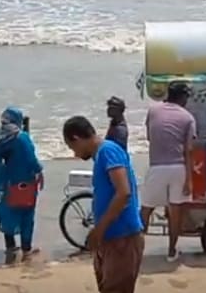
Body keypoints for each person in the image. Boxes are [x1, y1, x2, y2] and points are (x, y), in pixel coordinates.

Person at [62, 116, 143, 293]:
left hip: (123, 237)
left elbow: (124, 193)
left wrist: (99, 230)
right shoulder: (101, 156)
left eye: (72, 147)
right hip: (110, 238)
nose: (75, 154)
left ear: (77, 138)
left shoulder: (108, 151)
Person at [141, 81, 196, 262]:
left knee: (146, 209)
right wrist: (189, 179)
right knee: (175, 211)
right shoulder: (188, 117)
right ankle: (172, 251)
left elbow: (150, 137)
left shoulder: (153, 111)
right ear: (182, 97)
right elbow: (189, 150)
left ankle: (137, 248)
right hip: (178, 168)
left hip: (156, 165)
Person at [0, 107, 42, 261]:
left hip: (8, 181)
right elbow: (31, 159)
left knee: (8, 213)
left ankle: (10, 247)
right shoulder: (22, 137)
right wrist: (39, 171)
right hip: (26, 181)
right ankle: (26, 249)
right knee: (27, 216)